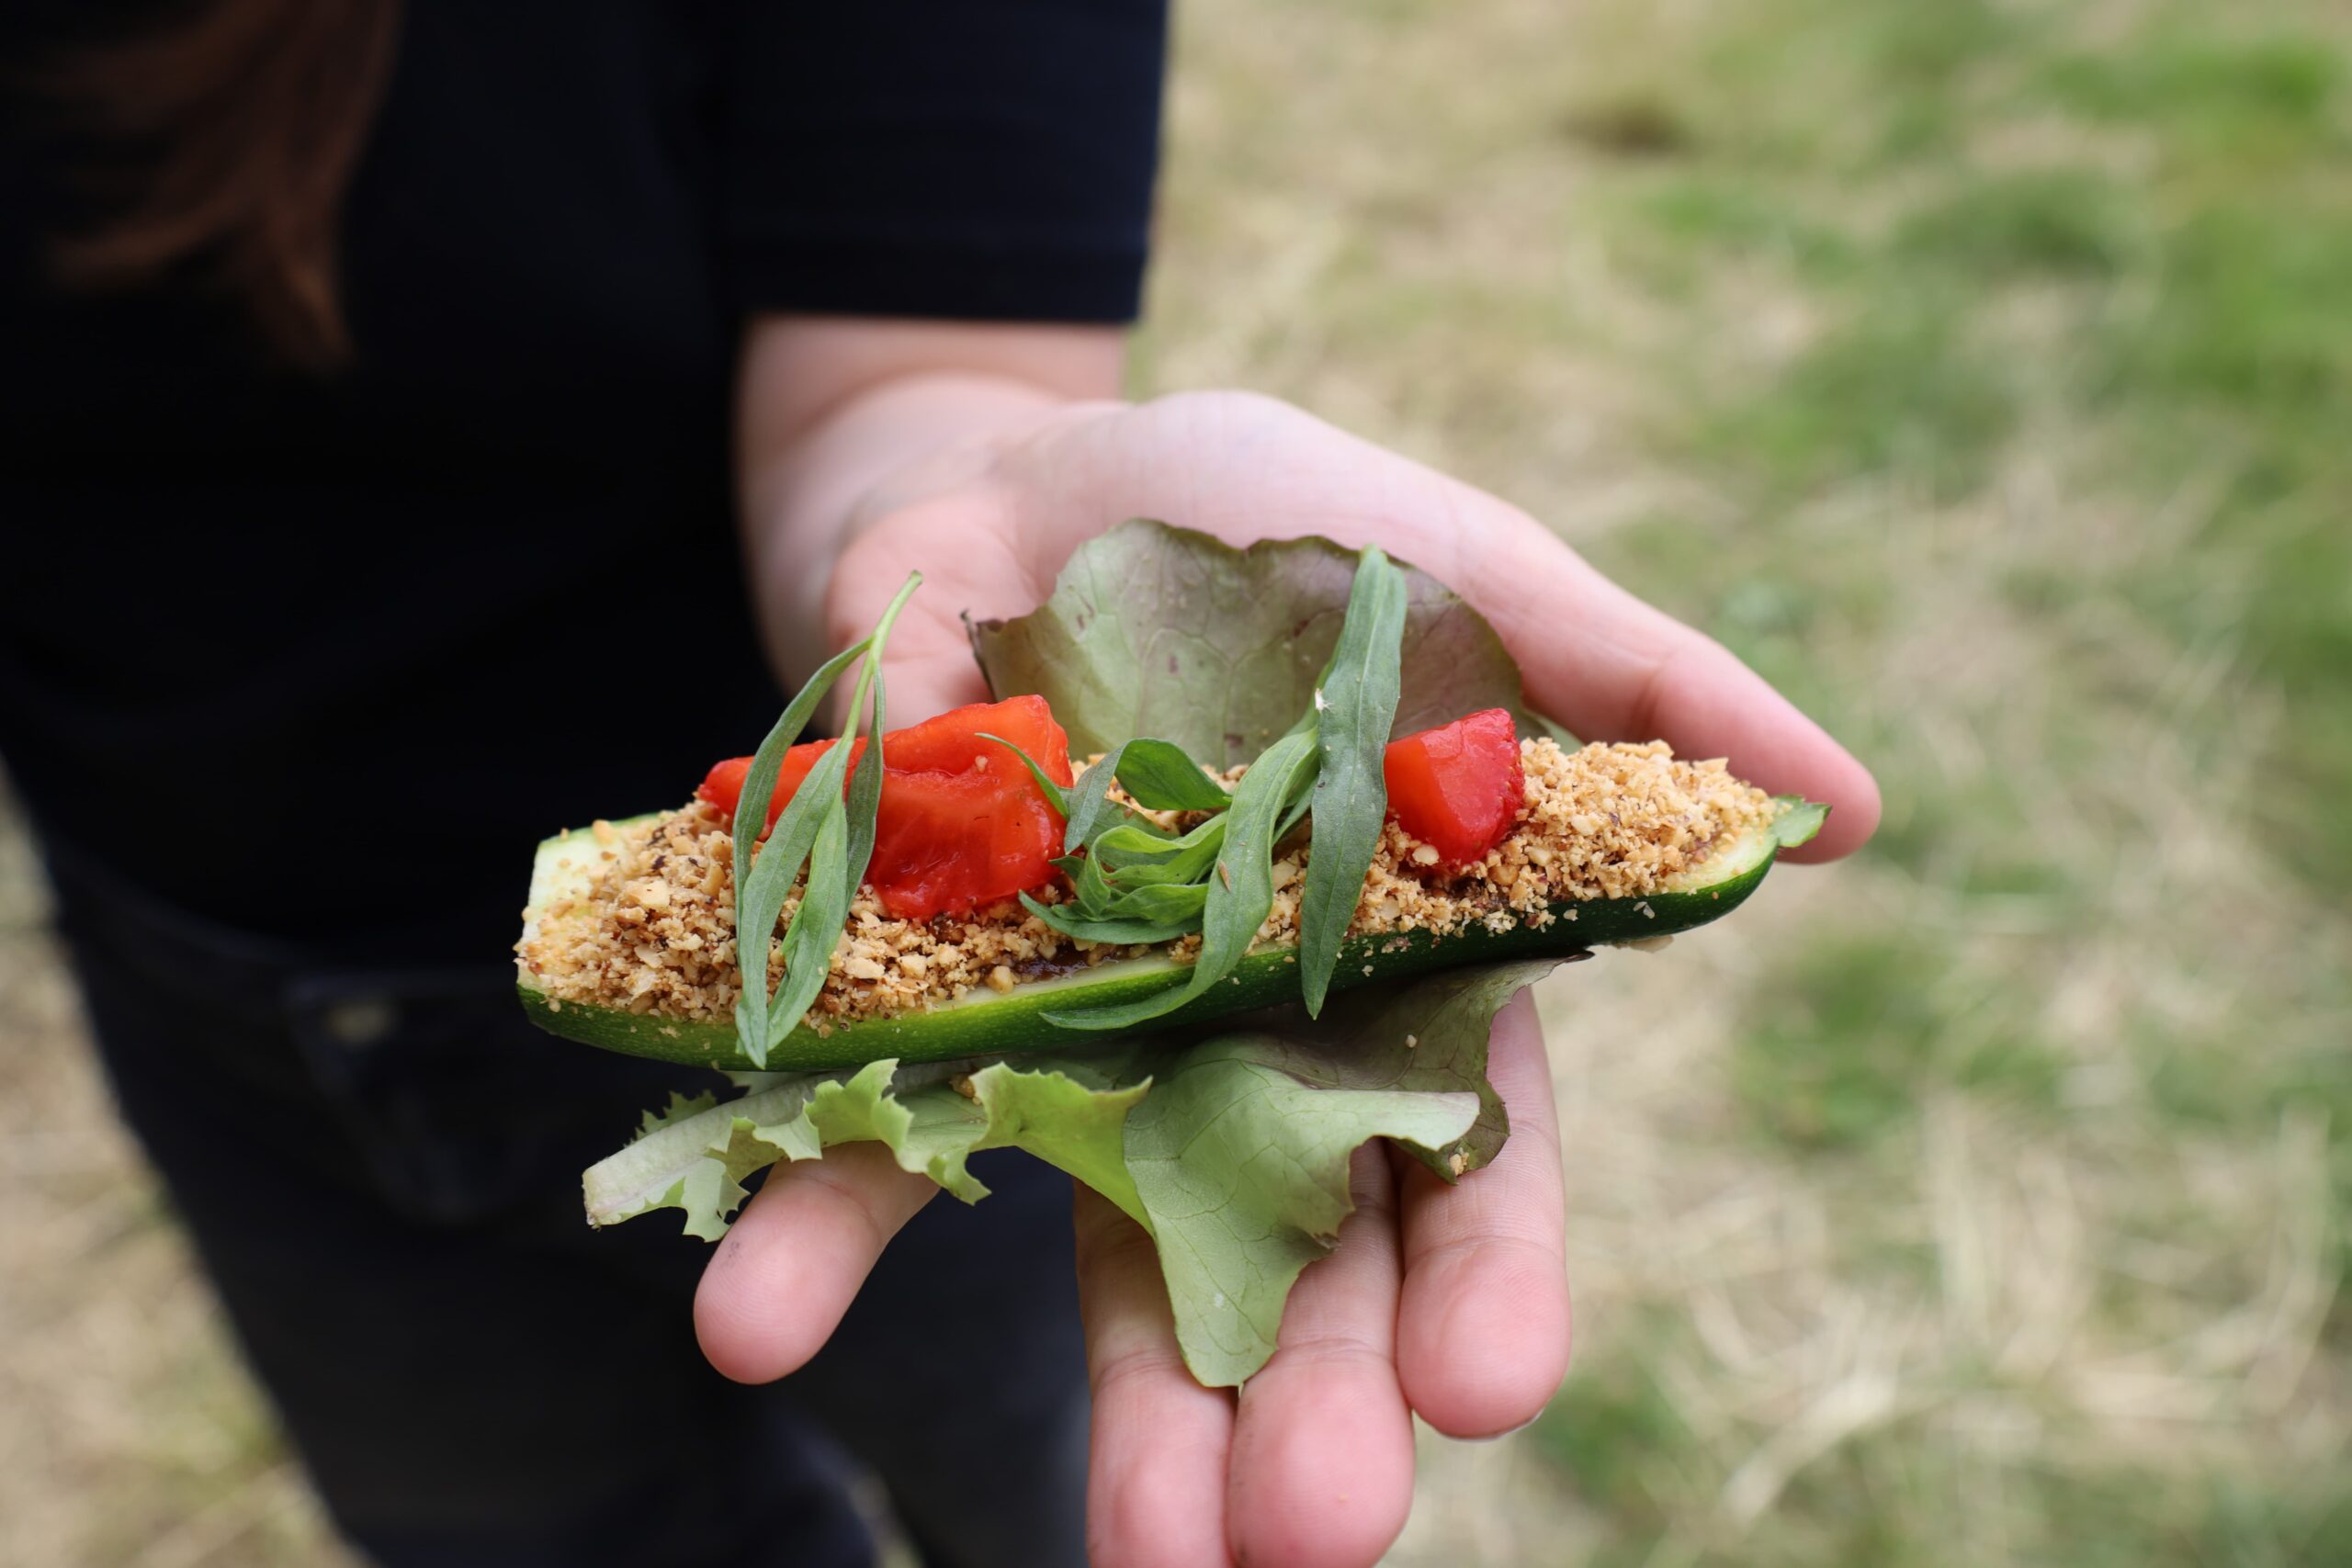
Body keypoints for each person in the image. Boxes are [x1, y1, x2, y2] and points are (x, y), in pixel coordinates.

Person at [0, 4, 1880, 1565]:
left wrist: (950, 515)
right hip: (185, 956)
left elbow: (893, 369)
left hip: (927, 1061)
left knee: (1049, 1493)